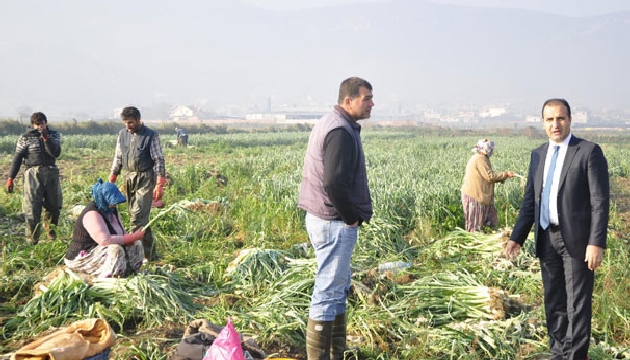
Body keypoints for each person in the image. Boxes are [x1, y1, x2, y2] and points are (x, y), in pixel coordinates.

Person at [506, 98, 609, 359]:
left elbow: (599, 201)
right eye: (550, 119)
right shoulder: (538, 155)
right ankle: (559, 352)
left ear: (570, 120)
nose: (556, 124)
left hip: (577, 240)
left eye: (560, 118)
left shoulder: (587, 151)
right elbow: (530, 200)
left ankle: (575, 356)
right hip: (546, 238)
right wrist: (516, 237)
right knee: (554, 302)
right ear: (542, 123)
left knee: (577, 304)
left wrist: (596, 242)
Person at [298, 77, 374, 360]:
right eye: (366, 98)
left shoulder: (333, 122)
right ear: (348, 101)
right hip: (333, 222)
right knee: (328, 291)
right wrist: (351, 218)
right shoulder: (340, 131)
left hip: (326, 218)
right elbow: (333, 182)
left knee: (338, 288)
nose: (371, 103)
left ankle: (335, 354)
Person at [108, 106, 166, 261]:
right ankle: (151, 256)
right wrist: (112, 178)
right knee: (140, 220)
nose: (128, 126)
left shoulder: (151, 136)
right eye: (126, 122)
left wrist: (160, 183)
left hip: (145, 178)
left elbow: (158, 159)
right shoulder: (122, 135)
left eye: (131, 122)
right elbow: (118, 157)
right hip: (128, 178)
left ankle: (134, 258)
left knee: (137, 218)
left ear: (139, 120)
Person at [64, 179, 145, 278]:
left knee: (136, 244)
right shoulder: (92, 213)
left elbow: (121, 232)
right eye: (112, 202)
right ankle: (111, 276)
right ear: (104, 199)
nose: (115, 205)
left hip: (100, 251)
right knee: (116, 249)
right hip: (84, 256)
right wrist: (130, 237)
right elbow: (104, 240)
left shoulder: (112, 210)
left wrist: (131, 239)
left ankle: (131, 271)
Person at [6, 112, 62, 244]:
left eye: (42, 123)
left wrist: (46, 137)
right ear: (33, 125)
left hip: (51, 171)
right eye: (38, 124)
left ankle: (50, 231)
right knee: (32, 207)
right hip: (32, 173)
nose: (40, 126)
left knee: (54, 205)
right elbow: (17, 158)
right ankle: (32, 239)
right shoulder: (25, 137)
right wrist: (10, 178)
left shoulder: (54, 135)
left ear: (46, 123)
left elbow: (55, 153)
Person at [460, 138, 515, 232]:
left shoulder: (481, 158)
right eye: (491, 150)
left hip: (481, 196)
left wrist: (503, 177)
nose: (492, 152)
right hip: (474, 196)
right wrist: (505, 174)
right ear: (486, 150)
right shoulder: (480, 159)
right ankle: (473, 244)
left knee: (489, 222)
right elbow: (490, 176)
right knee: (474, 227)